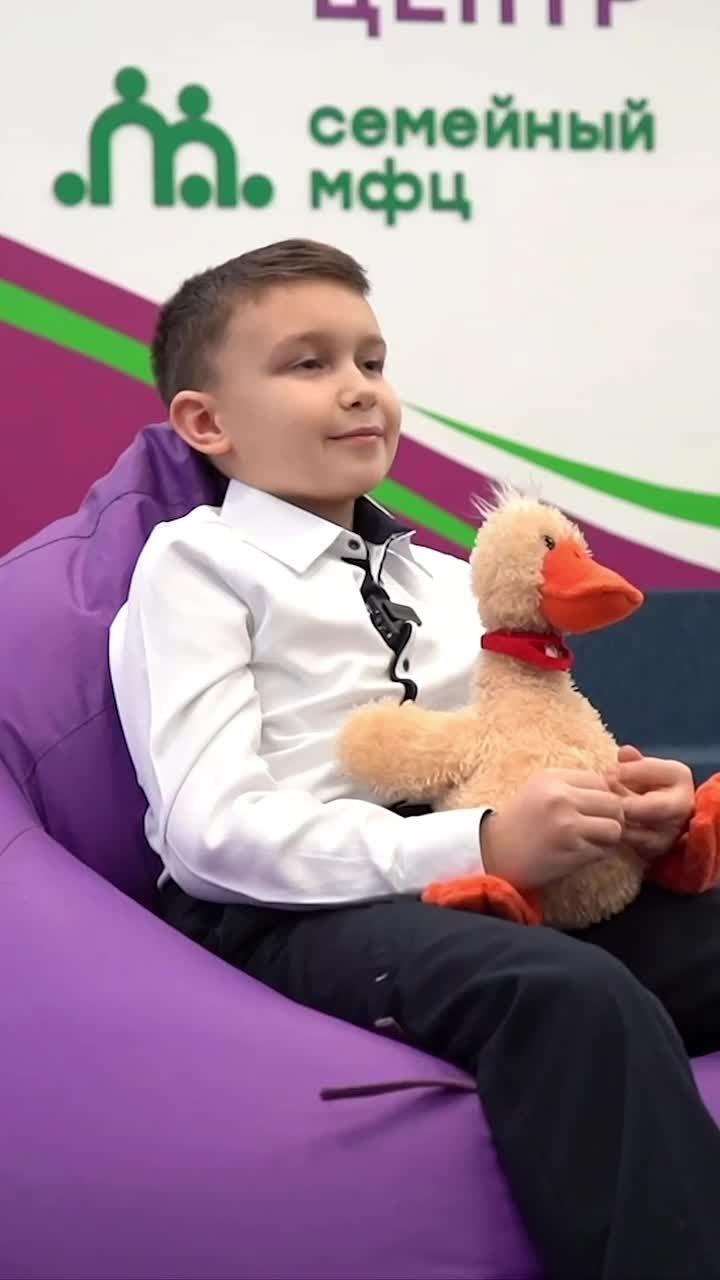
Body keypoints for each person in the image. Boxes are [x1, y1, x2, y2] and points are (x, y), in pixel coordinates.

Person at [109, 237, 720, 1279]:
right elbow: (209, 832)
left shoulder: (443, 575)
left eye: (372, 361)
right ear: (207, 424)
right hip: (297, 911)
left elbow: (517, 737)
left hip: (496, 882)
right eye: (308, 364)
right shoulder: (196, 567)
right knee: (563, 994)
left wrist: (630, 805)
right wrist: (476, 842)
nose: (359, 389)